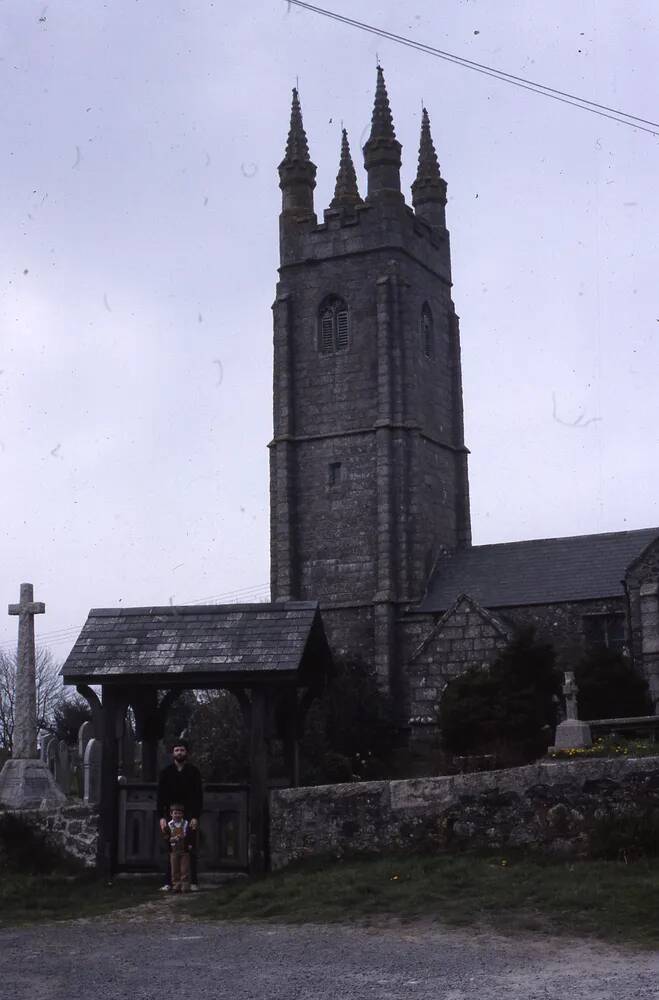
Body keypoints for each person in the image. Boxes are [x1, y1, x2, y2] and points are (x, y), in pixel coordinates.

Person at [157, 740, 203, 891]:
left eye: (182, 750)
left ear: (186, 753)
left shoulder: (194, 772)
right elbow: (161, 797)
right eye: (176, 750)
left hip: (189, 814)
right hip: (171, 814)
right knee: (171, 847)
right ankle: (169, 882)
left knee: (190, 847)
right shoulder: (166, 773)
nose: (179, 753)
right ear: (173, 753)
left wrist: (195, 816)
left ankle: (192, 881)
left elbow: (198, 796)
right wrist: (162, 817)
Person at [162, 803, 192, 893]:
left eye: (179, 813)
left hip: (184, 850)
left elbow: (190, 835)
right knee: (175, 869)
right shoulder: (169, 825)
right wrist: (169, 839)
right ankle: (176, 885)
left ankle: (185, 886)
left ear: (182, 814)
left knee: (184, 869)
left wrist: (190, 844)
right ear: (171, 814)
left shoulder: (186, 824)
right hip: (174, 851)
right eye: (175, 813)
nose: (177, 815)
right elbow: (165, 836)